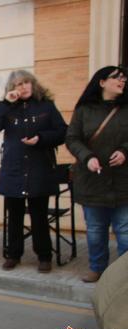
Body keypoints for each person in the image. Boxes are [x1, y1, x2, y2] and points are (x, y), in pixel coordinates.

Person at [0, 70, 67, 273]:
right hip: (14, 169)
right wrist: (5, 102)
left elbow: (62, 131)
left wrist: (40, 138)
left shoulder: (46, 105)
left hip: (39, 169)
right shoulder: (8, 108)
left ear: (33, 84)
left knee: (39, 216)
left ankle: (44, 256)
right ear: (12, 88)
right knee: (15, 216)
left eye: (26, 82)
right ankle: (13, 254)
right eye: (18, 84)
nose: (23, 87)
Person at [65, 66, 128, 282]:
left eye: (123, 78)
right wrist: (87, 157)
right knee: (95, 230)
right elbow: (72, 138)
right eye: (117, 77)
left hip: (122, 181)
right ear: (102, 82)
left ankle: (123, 274)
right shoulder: (84, 109)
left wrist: (124, 152)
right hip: (92, 180)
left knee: (125, 231)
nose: (122, 80)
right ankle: (97, 267)